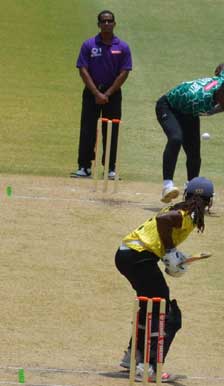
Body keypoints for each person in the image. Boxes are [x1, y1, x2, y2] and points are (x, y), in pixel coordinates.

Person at [115, 177, 214, 381]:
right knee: (166, 312)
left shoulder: (184, 210)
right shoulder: (188, 213)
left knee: (150, 304)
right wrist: (170, 251)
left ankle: (133, 357)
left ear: (187, 195)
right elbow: (163, 221)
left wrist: (175, 255)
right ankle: (148, 367)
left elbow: (161, 232)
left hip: (128, 254)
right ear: (209, 201)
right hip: (137, 255)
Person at [157, 63, 224, 202]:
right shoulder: (201, 100)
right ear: (220, 93)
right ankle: (167, 186)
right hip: (168, 107)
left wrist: (217, 72)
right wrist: (220, 108)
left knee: (194, 152)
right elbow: (208, 112)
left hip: (188, 112)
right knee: (176, 138)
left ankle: (192, 190)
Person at [72, 10, 131, 180]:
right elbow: (83, 70)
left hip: (113, 93)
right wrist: (97, 93)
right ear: (98, 24)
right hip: (91, 93)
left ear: (114, 23)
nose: (107, 24)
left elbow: (124, 72)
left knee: (112, 129)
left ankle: (110, 168)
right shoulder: (89, 45)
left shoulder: (122, 47)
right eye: (103, 21)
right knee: (88, 129)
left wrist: (107, 93)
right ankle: (84, 166)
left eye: (109, 21)